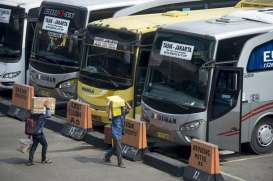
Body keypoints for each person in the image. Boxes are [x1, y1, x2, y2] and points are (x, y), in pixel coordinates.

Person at [104, 102, 131, 168]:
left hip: (120, 132)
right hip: (115, 133)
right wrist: (110, 107)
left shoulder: (123, 113)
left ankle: (107, 156)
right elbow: (110, 117)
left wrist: (125, 102)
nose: (124, 108)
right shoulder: (114, 114)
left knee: (116, 147)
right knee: (119, 147)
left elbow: (129, 108)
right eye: (122, 107)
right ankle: (120, 163)